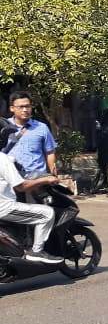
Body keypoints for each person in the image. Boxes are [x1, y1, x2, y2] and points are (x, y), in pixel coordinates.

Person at [0, 125, 62, 263]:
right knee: (46, 214)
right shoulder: (2, 159)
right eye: (8, 138)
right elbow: (21, 186)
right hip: (4, 207)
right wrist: (46, 179)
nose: (9, 141)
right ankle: (36, 252)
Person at [5, 92, 58, 178]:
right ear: (12, 108)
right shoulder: (4, 127)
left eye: (28, 106)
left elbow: (50, 152)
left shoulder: (41, 127)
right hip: (11, 178)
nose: (25, 110)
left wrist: (53, 173)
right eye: (21, 107)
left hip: (37, 178)